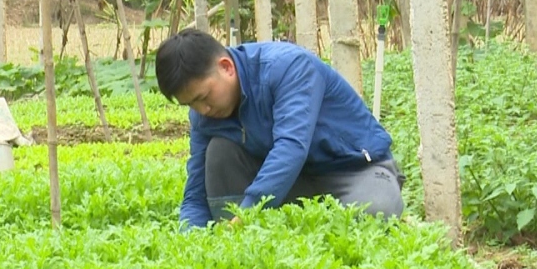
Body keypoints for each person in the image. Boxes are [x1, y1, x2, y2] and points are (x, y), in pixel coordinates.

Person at [154, 28, 405, 229]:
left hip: (352, 171)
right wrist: (190, 239)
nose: (203, 110)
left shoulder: (287, 67)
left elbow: (291, 148)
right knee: (219, 151)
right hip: (290, 182)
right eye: (191, 104)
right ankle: (235, 238)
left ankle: (250, 227)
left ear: (226, 67)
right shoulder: (203, 114)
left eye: (204, 96)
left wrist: (248, 214)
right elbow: (196, 189)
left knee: (375, 210)